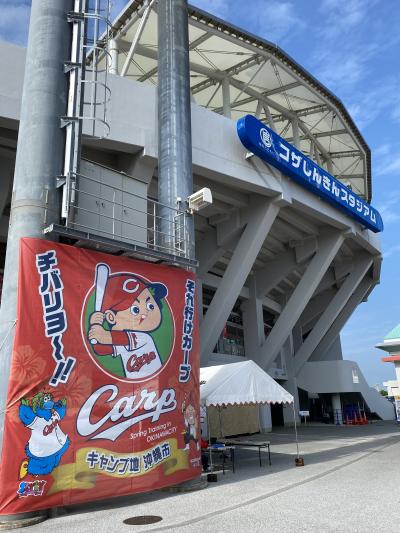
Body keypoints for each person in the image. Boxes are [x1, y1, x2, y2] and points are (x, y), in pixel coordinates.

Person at [88, 273, 168, 380]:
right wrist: (95, 325)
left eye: (150, 306)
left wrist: (99, 332)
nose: (145, 313)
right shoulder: (122, 342)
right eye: (135, 309)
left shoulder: (143, 338)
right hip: (139, 386)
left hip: (155, 383)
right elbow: (100, 350)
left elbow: (106, 337)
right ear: (111, 317)